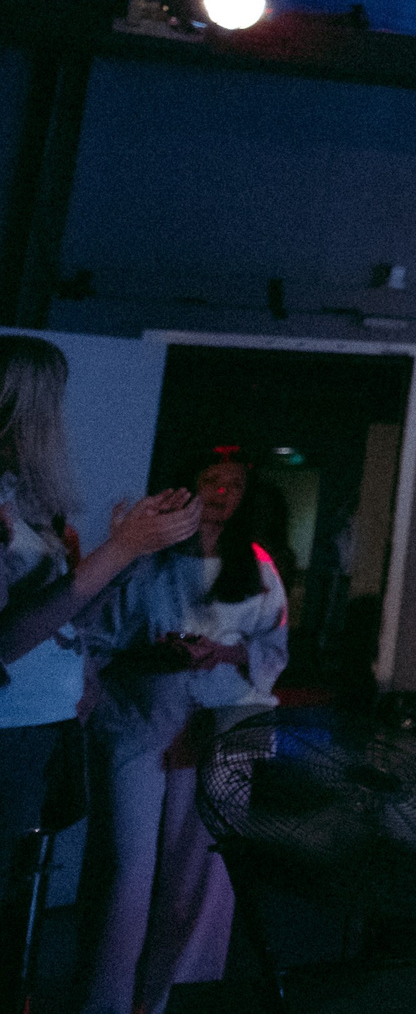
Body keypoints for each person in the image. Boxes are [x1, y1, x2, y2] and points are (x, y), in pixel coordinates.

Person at [1, 337, 200, 1003]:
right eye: (53, 400)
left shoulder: (23, 501)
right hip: (9, 732)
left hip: (38, 728)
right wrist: (122, 549)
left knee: (16, 901)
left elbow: (62, 620)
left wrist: (128, 556)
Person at [80, 447, 288, 1014]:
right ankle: (105, 1001)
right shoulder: (146, 562)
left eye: (235, 484)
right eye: (211, 480)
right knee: (128, 873)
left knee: (194, 876)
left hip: (217, 731)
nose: (222, 492)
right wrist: (153, 656)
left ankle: (164, 998)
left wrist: (222, 652)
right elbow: (96, 640)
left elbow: (273, 648)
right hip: (141, 723)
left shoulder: (258, 567)